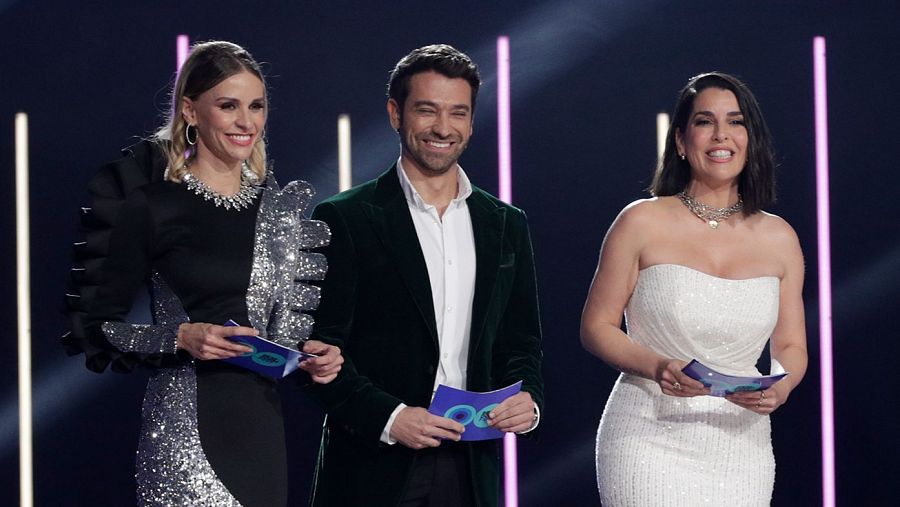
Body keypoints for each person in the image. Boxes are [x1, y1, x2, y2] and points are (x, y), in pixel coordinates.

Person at [62, 40, 343, 507]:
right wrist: (178, 337)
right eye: (228, 106)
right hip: (185, 433)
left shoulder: (278, 211)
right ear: (191, 111)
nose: (245, 121)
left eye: (256, 106)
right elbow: (95, 330)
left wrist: (314, 358)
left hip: (261, 433)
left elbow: (280, 338)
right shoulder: (153, 206)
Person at [304, 44, 544, 506]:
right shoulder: (345, 218)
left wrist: (528, 401)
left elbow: (522, 342)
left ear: (472, 123)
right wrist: (392, 418)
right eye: (426, 110)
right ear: (396, 114)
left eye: (458, 113)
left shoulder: (506, 223)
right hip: (373, 464)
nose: (442, 127)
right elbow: (317, 354)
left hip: (471, 467)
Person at [581, 72, 807, 506]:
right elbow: (597, 326)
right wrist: (658, 366)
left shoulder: (780, 237)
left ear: (750, 138)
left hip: (742, 443)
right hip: (647, 434)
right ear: (682, 141)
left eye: (736, 122)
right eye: (705, 121)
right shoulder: (641, 221)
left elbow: (792, 344)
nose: (721, 134)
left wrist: (782, 385)